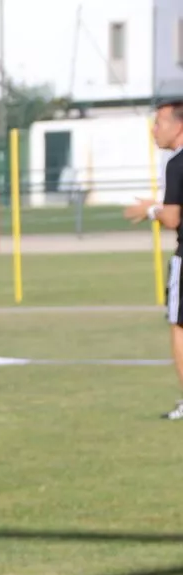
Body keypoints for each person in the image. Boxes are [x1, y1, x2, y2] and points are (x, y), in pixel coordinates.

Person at [125, 97, 183, 419]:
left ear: (179, 125)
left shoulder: (177, 163)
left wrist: (150, 209)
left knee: (180, 328)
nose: (153, 130)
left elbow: (173, 218)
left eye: (159, 122)